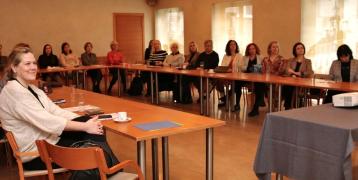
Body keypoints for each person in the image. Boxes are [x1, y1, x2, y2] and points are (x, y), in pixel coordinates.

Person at [0, 46, 115, 171]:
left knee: (92, 129)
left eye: (34, 63)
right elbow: (47, 121)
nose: (33, 67)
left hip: (47, 141)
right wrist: (85, 126)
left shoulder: (30, 88)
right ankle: (109, 168)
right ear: (14, 67)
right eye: (27, 64)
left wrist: (85, 121)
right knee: (91, 150)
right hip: (37, 155)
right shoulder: (14, 91)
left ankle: (107, 168)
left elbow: (55, 111)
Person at [249, 41, 285, 116]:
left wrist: (271, 76)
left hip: (277, 81)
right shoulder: (265, 59)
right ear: (269, 49)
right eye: (273, 47)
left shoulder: (281, 59)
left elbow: (281, 71)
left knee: (274, 86)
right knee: (258, 84)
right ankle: (256, 108)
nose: (275, 48)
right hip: (266, 81)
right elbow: (262, 71)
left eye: (277, 47)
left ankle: (274, 107)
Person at [282, 42, 314, 109]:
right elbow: (287, 70)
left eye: (302, 48)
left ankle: (291, 105)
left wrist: (298, 73)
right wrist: (292, 74)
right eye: (298, 48)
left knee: (290, 87)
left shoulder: (308, 61)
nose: (300, 49)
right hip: (291, 81)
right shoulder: (291, 60)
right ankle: (289, 106)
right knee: (287, 86)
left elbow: (310, 72)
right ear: (295, 51)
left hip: (302, 83)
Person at [234, 43, 264, 112]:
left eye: (253, 48)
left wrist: (251, 68)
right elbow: (241, 67)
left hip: (257, 78)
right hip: (246, 77)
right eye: (250, 49)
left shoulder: (261, 57)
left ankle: (256, 107)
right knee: (237, 82)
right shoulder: (245, 57)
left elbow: (262, 68)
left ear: (256, 49)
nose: (252, 50)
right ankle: (237, 104)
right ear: (248, 50)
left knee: (260, 85)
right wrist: (250, 68)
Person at [215, 40, 243, 108]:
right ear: (228, 46)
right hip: (226, 75)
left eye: (234, 44)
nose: (233, 46)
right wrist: (227, 70)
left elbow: (241, 67)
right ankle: (223, 96)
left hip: (236, 76)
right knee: (218, 80)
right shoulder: (226, 56)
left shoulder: (239, 55)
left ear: (236, 46)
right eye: (231, 44)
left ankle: (226, 98)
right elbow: (223, 66)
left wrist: (232, 69)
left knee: (236, 84)